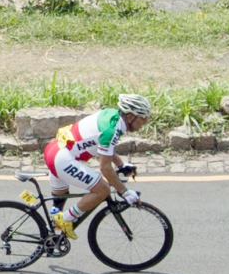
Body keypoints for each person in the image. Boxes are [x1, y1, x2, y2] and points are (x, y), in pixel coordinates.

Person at [43, 93, 151, 240]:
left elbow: (105, 148)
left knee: (59, 201)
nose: (145, 122)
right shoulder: (111, 131)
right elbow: (105, 168)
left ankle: (49, 236)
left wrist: (121, 164)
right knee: (103, 190)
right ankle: (63, 220)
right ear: (131, 117)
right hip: (62, 159)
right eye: (143, 118)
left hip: (54, 150)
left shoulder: (111, 114)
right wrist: (124, 192)